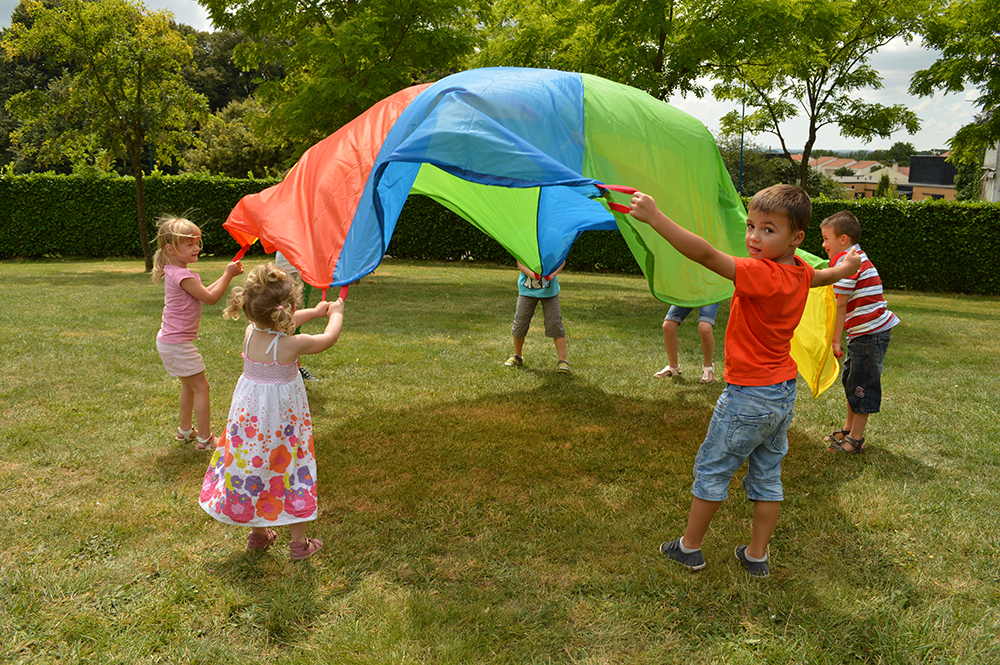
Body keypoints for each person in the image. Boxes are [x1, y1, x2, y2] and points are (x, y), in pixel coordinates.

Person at [629, 184, 861, 577]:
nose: (754, 236)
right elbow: (823, 277)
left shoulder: (761, 273)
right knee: (768, 475)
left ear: (796, 238)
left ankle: (689, 548)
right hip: (782, 395)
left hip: (748, 396)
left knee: (713, 469)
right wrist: (844, 270)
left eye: (768, 230)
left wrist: (655, 217)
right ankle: (756, 555)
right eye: (751, 225)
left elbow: (703, 253)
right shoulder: (800, 271)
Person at [199, 263, 345, 561]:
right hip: (283, 426)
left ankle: (259, 534)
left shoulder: (251, 332)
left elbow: (280, 322)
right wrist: (335, 315)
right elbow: (328, 339)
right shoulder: (293, 345)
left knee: (254, 469)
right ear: (288, 308)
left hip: (250, 425)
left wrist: (316, 312)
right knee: (290, 471)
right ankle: (299, 545)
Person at [153, 215, 244, 451]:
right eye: (189, 244)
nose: (196, 248)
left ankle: (185, 431)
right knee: (201, 387)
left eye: (197, 243)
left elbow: (204, 293)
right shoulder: (182, 275)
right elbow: (211, 298)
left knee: (189, 386)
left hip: (171, 342)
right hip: (178, 344)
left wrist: (226, 275)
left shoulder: (177, 271)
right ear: (171, 249)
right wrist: (228, 274)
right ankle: (205, 439)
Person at [820, 210, 899, 454]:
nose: (823, 245)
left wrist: (835, 340)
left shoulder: (849, 261)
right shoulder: (854, 257)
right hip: (862, 333)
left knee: (862, 383)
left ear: (843, 240)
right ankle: (848, 428)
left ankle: (856, 438)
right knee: (851, 380)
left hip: (869, 334)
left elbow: (840, 304)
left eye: (826, 239)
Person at [504, 260, 570, 373]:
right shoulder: (526, 246)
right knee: (520, 322)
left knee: (555, 323)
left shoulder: (550, 246)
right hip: (527, 292)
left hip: (550, 293)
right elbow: (520, 260)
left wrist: (553, 274)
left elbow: (561, 259)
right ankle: (517, 356)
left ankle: (562, 360)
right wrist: (531, 274)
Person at [275, 251, 319, 381]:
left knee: (294, 321)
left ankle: (295, 368)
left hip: (305, 264)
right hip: (287, 265)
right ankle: (293, 368)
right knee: (285, 320)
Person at [654, 303, 721, 383]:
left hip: (710, 293)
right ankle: (673, 368)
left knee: (704, 329)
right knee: (668, 326)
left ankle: (708, 367)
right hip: (689, 292)